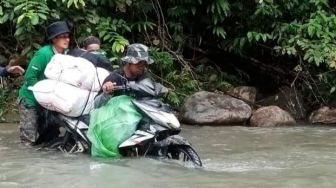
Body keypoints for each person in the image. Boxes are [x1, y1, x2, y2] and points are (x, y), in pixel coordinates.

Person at [18, 21, 71, 145]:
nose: (67, 40)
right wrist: (42, 95)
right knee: (28, 139)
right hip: (30, 100)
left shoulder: (65, 55)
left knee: (50, 136)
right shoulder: (44, 54)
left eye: (67, 36)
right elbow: (30, 76)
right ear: (53, 39)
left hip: (48, 102)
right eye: (62, 37)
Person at [94, 43, 154, 108]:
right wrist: (106, 93)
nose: (141, 66)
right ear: (129, 62)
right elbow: (96, 105)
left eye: (144, 63)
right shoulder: (115, 78)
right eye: (138, 63)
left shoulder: (143, 77)